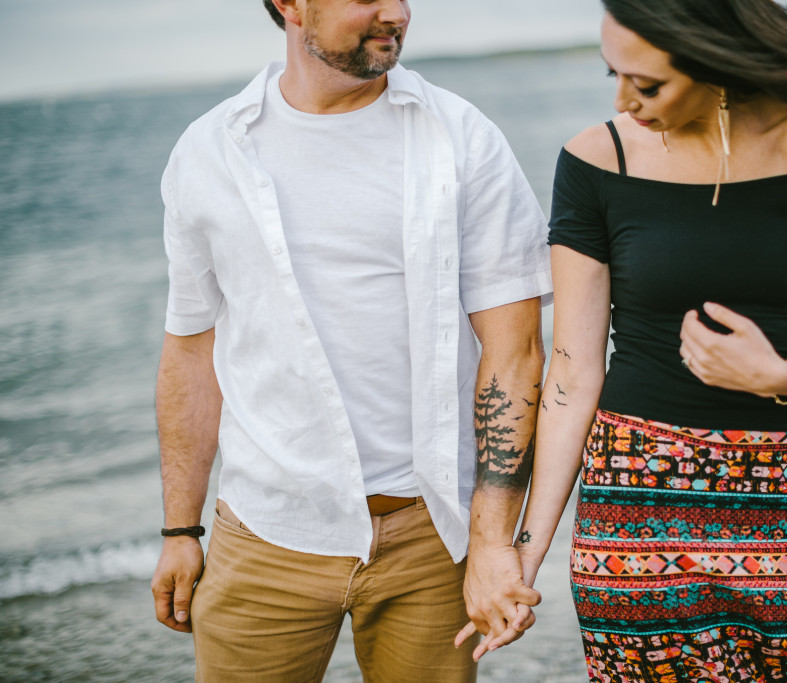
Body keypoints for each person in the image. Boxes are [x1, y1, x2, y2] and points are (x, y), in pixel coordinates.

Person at [472, 0, 787, 680]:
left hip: (779, 488)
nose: (624, 99)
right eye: (614, 74)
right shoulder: (594, 161)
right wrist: (521, 553)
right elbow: (572, 373)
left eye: (647, 84)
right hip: (633, 498)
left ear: (711, 63)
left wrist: (777, 375)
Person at [149, 0, 551, 680]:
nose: (395, 12)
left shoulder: (462, 139)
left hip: (430, 538)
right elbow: (191, 351)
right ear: (291, 5)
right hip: (265, 532)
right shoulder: (209, 151)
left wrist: (490, 542)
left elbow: (515, 354)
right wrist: (180, 530)